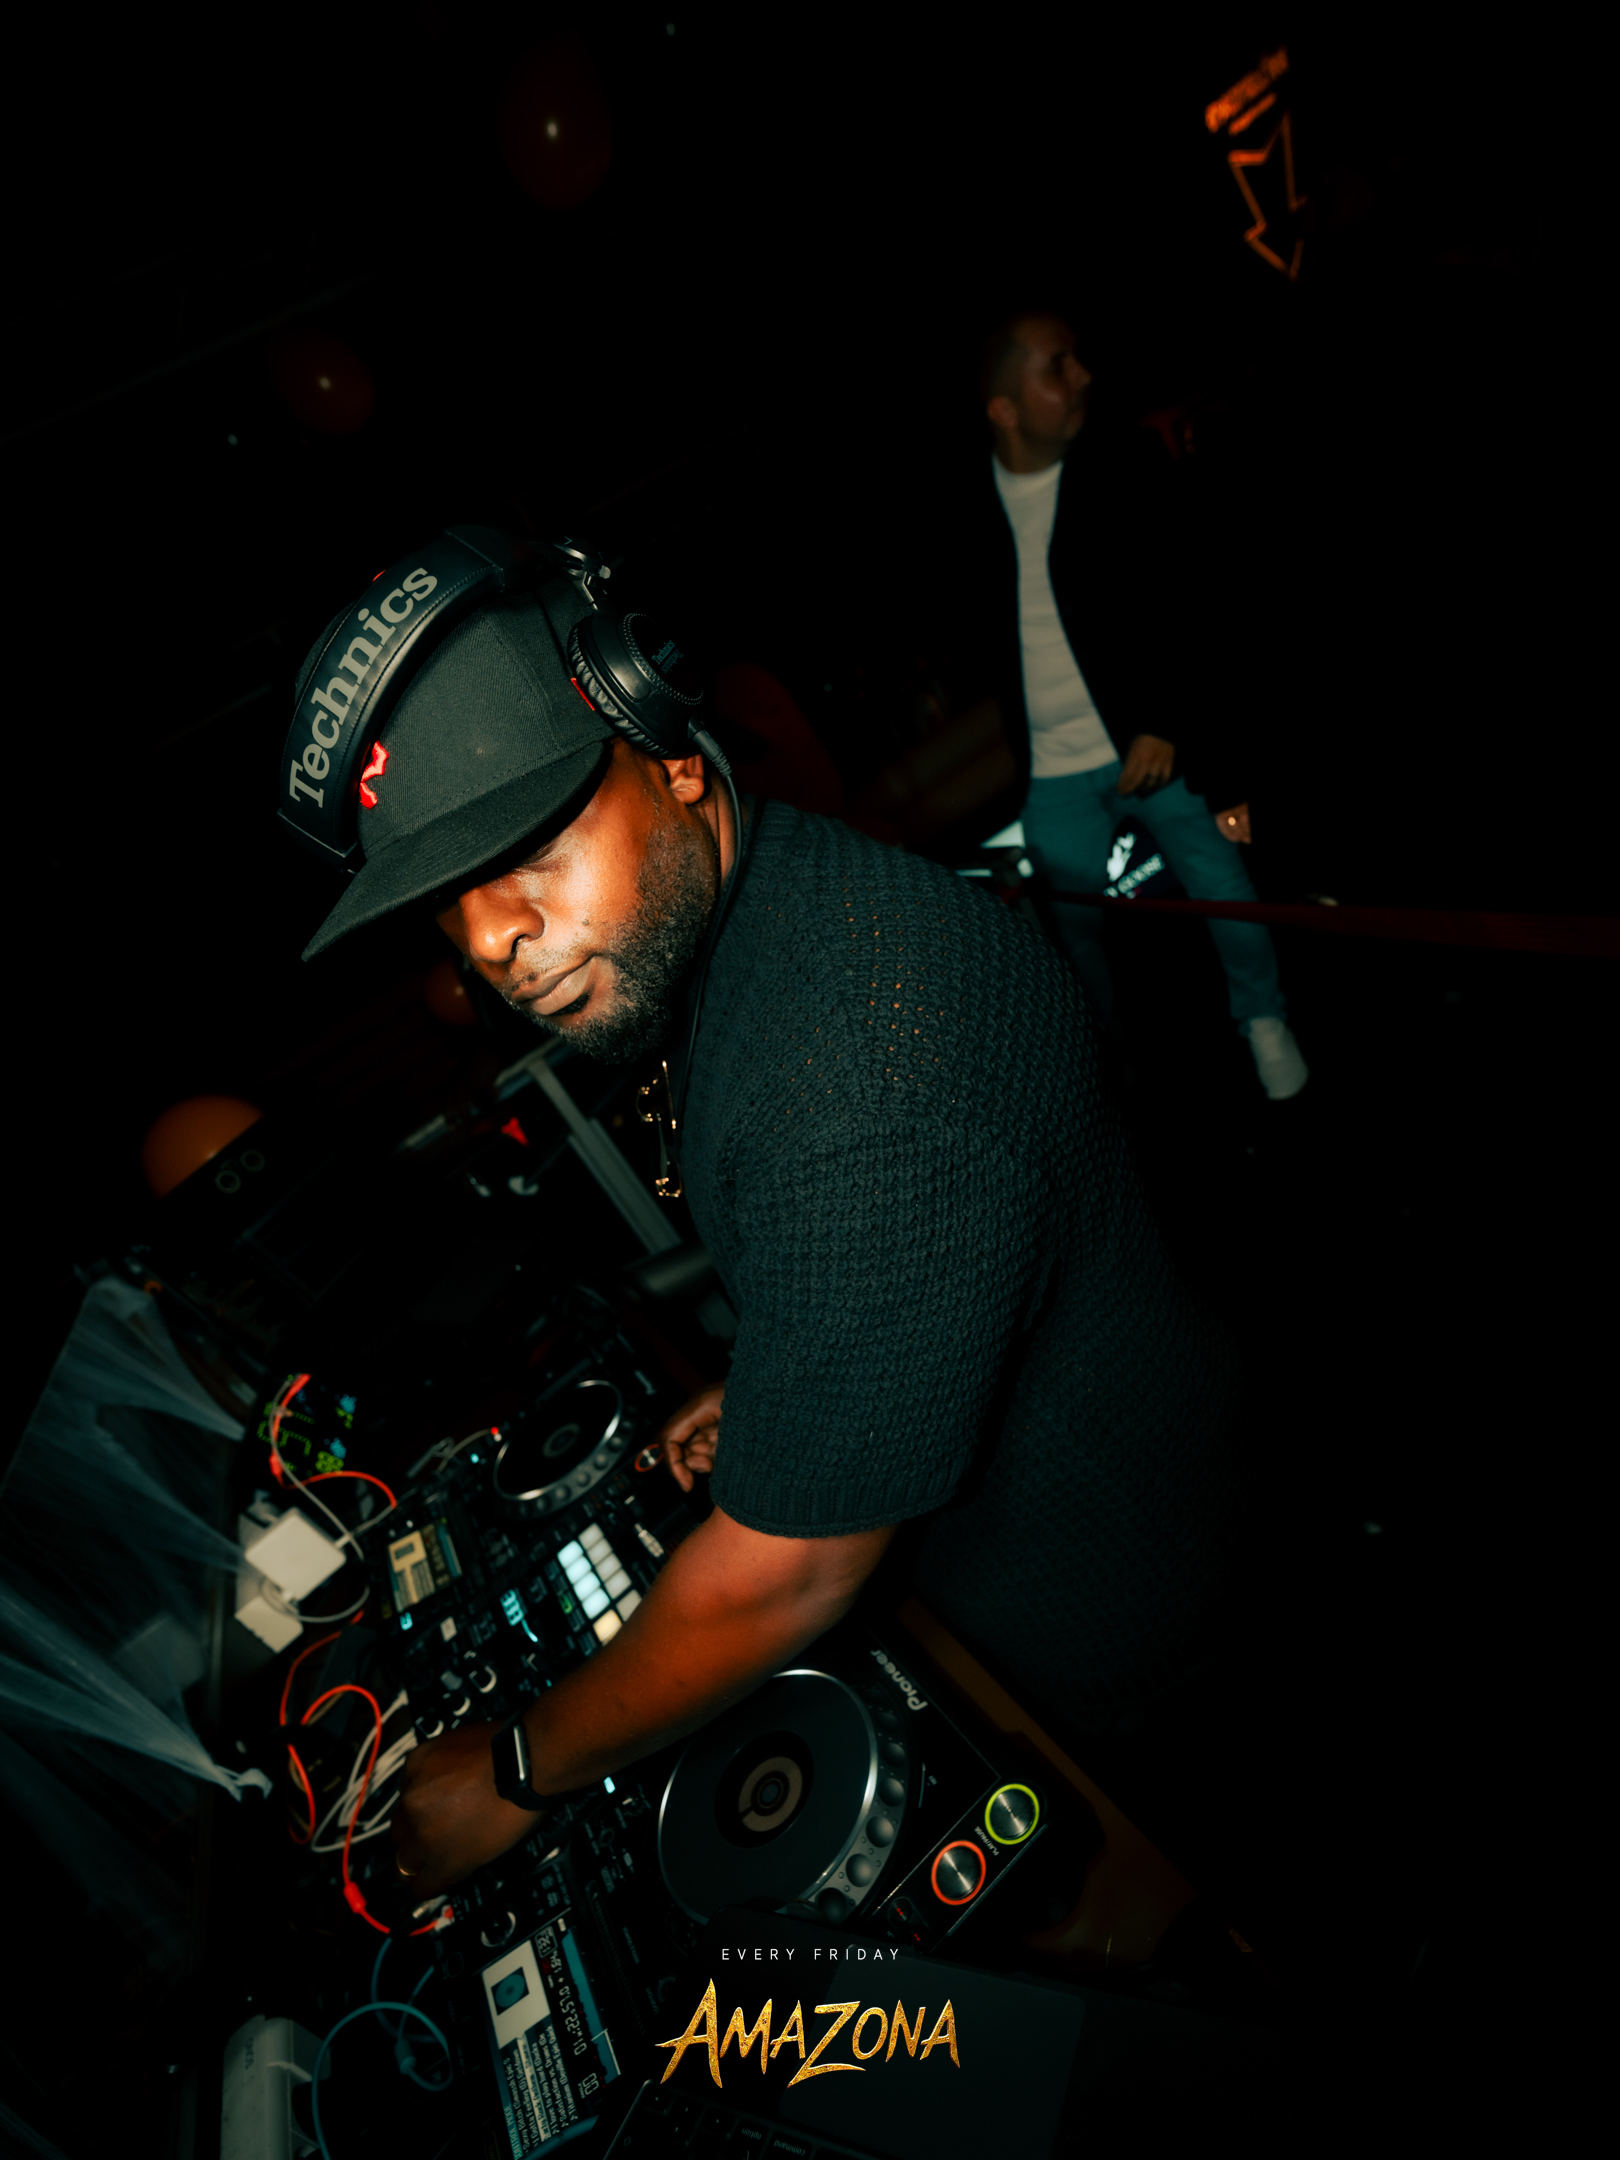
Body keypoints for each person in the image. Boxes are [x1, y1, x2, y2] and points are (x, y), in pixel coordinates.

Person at [290, 560, 1250, 1899]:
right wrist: (790, 1377)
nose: (490, 941)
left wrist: (512, 1768)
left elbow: (781, 1583)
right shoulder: (766, 917)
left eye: (524, 846)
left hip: (1128, 1669)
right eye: (443, 897)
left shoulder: (860, 1075)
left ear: (672, 756)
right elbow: (919, 1248)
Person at [943, 309, 1308, 1101]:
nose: (1082, 376)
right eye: (1056, 366)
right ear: (1003, 408)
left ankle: (1263, 1021)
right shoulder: (969, 517)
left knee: (1223, 884)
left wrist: (1165, 719)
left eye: (1076, 359)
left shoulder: (1124, 467)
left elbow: (1193, 606)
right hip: (1053, 775)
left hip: (1148, 750)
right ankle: (1109, 1071)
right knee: (1072, 940)